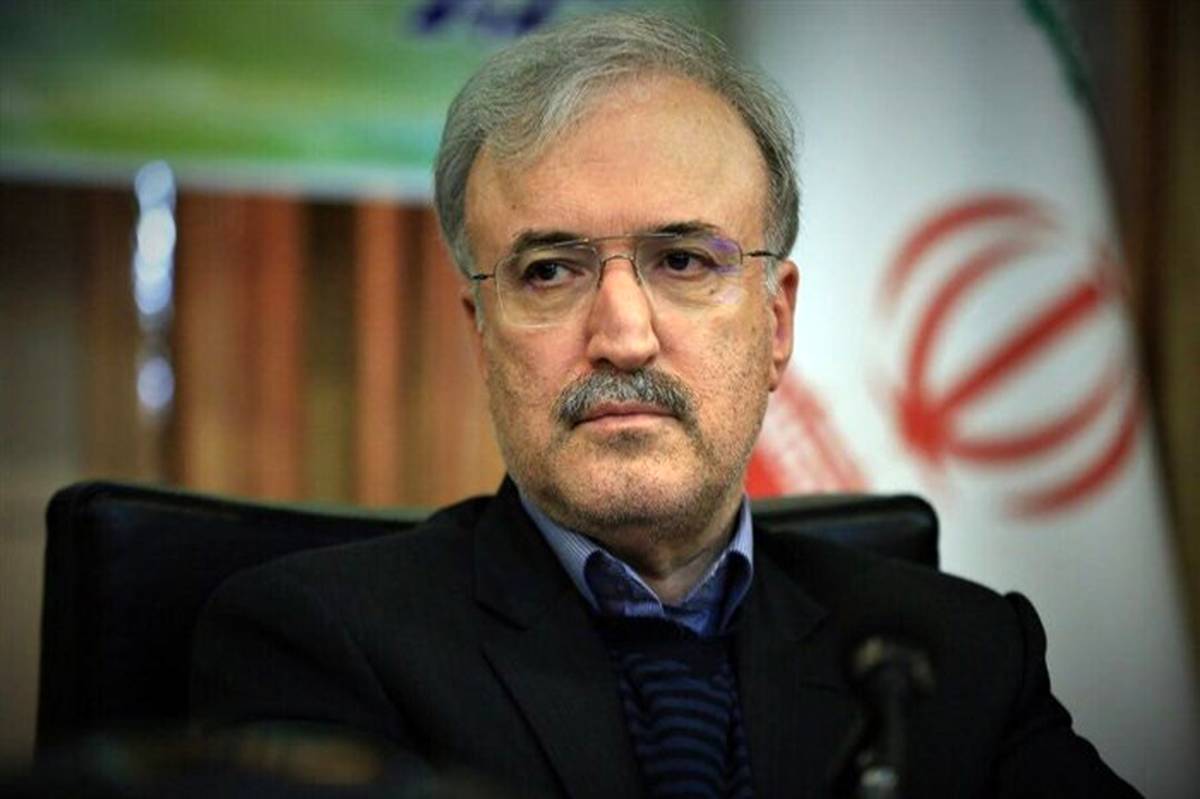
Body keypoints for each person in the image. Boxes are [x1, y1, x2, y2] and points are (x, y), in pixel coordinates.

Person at [190, 12, 1140, 799]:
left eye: (683, 260)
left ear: (776, 324)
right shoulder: (319, 646)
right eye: (549, 270)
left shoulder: (957, 657)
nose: (623, 334)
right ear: (481, 334)